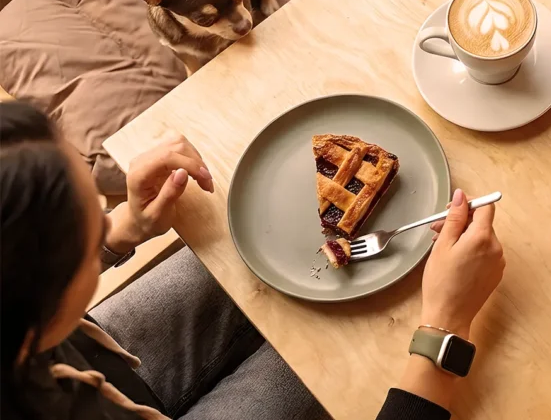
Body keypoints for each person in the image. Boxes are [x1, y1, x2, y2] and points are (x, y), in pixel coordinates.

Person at [0, 101, 505, 419]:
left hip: (86, 355)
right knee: (343, 357)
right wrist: (445, 331)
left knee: (269, 284)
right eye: (80, 242)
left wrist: (122, 230)